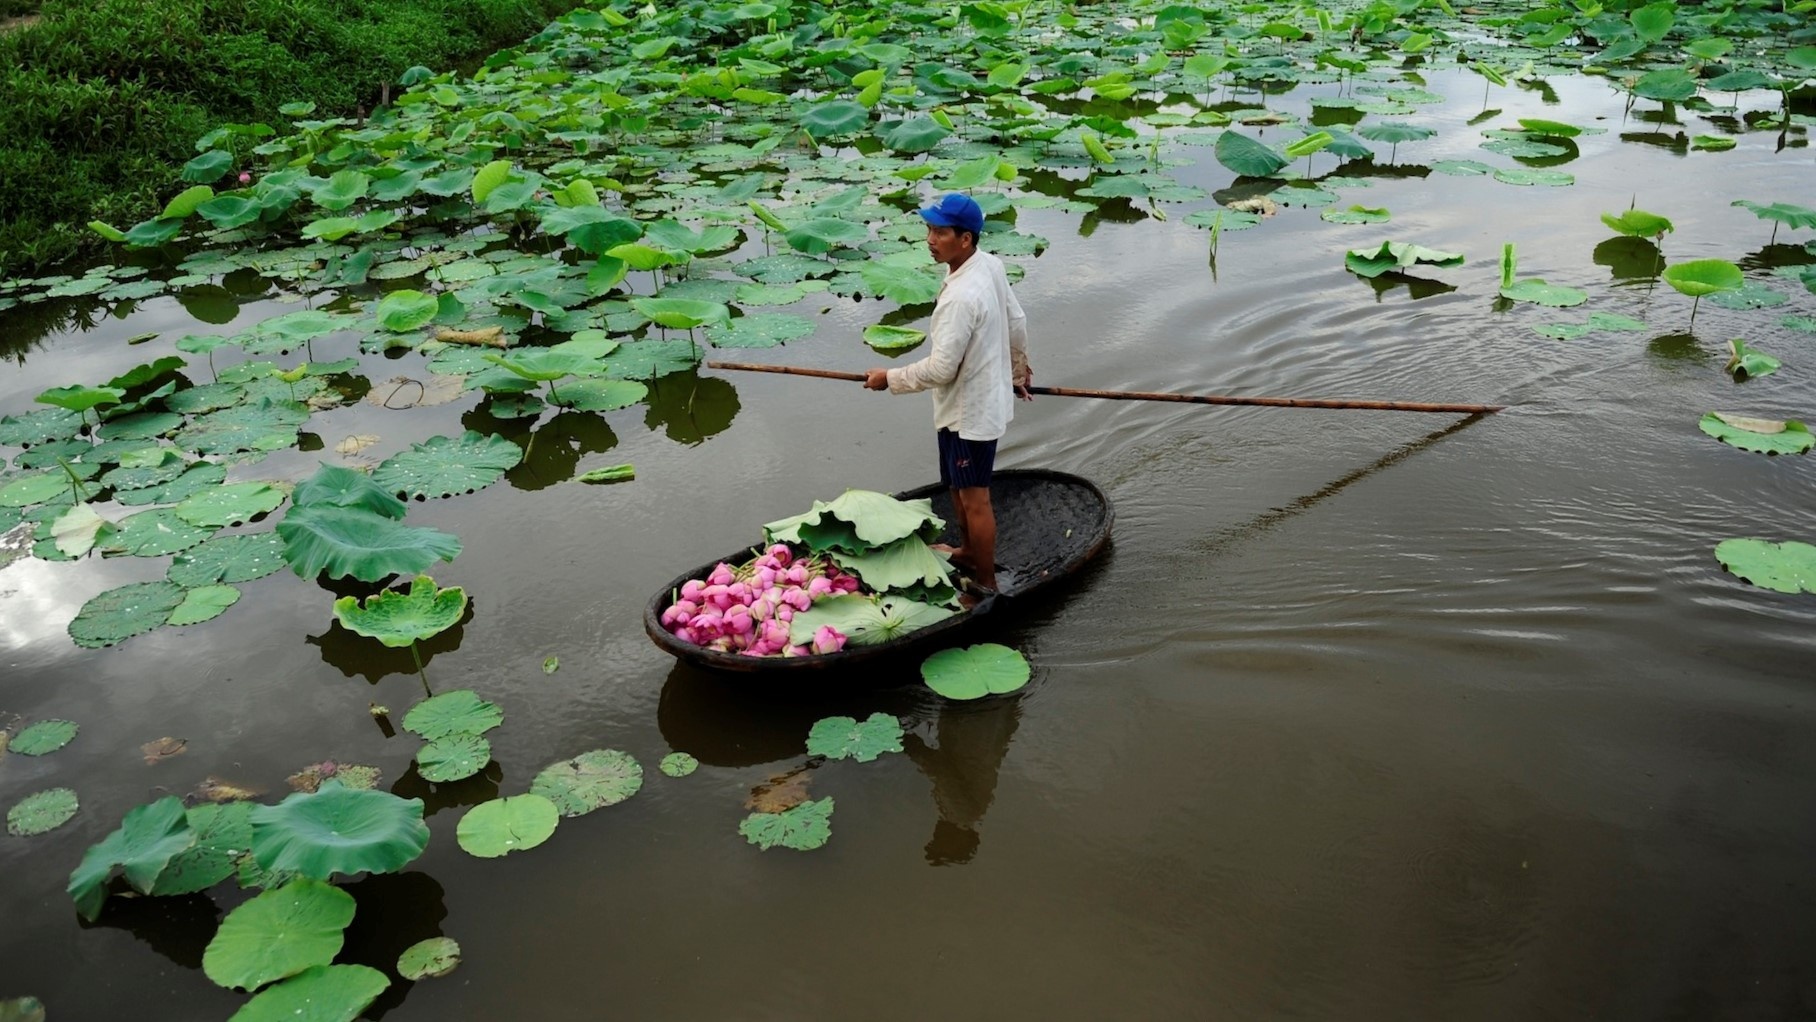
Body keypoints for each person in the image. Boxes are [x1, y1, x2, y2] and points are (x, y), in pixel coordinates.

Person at [865, 192, 1032, 594]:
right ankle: (968, 552)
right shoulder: (988, 265)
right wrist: (1019, 368)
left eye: (940, 231)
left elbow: (941, 368)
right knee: (956, 487)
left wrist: (890, 378)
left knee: (975, 498)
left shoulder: (960, 297)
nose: (930, 239)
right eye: (928, 229)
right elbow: (1017, 319)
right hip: (970, 400)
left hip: (968, 413)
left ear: (966, 239)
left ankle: (987, 582)